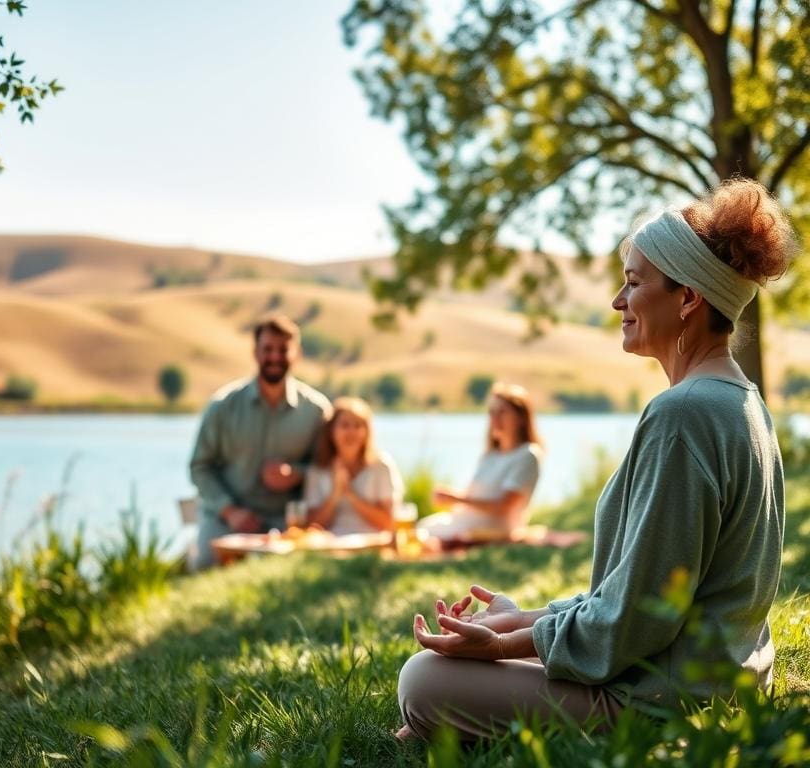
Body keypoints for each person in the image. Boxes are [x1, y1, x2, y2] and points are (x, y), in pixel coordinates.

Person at [396, 178, 797, 740]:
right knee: (443, 686)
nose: (617, 301)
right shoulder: (742, 402)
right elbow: (641, 589)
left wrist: (507, 646)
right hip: (722, 679)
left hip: (669, 697)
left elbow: (636, 621)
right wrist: (527, 620)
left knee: (423, 681)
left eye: (633, 283)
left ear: (688, 298)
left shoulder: (682, 416)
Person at [189, 313, 331, 569]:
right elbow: (199, 467)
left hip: (287, 522)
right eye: (268, 349)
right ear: (255, 352)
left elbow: (328, 468)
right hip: (225, 519)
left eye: (282, 350)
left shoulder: (317, 411)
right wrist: (231, 511)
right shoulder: (222, 407)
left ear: (296, 353)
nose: (275, 357)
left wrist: (296, 475)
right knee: (206, 564)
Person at [419, 383, 542, 542]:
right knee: (418, 529)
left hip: (491, 529)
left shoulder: (527, 455)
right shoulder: (490, 456)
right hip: (463, 521)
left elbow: (504, 508)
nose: (494, 419)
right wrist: (452, 499)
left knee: (420, 536)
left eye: (502, 412)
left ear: (521, 418)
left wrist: (456, 498)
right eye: (492, 412)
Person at [303, 396, 404, 535]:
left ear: (366, 432)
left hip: (372, 542)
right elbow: (311, 525)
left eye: (358, 425)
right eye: (345, 425)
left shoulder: (381, 466)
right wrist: (335, 495)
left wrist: (350, 495)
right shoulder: (318, 469)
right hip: (329, 543)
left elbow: (388, 522)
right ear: (331, 431)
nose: (352, 432)